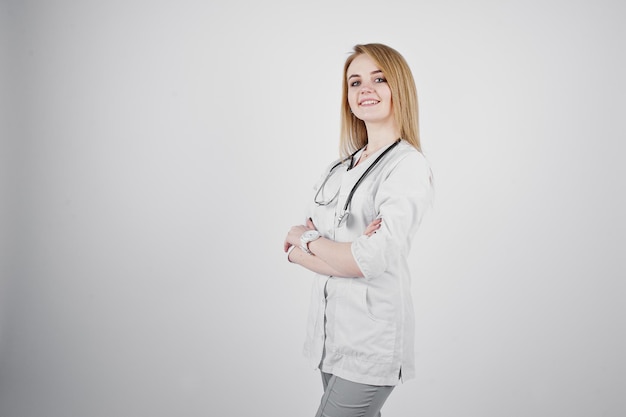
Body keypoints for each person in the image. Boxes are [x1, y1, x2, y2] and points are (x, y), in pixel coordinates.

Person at [283, 43, 434, 417]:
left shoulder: (407, 167)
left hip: (371, 343)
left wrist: (307, 243)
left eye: (379, 79)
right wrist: (323, 247)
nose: (365, 89)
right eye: (355, 82)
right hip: (331, 337)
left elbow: (369, 259)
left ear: (399, 88)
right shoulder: (340, 168)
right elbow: (308, 245)